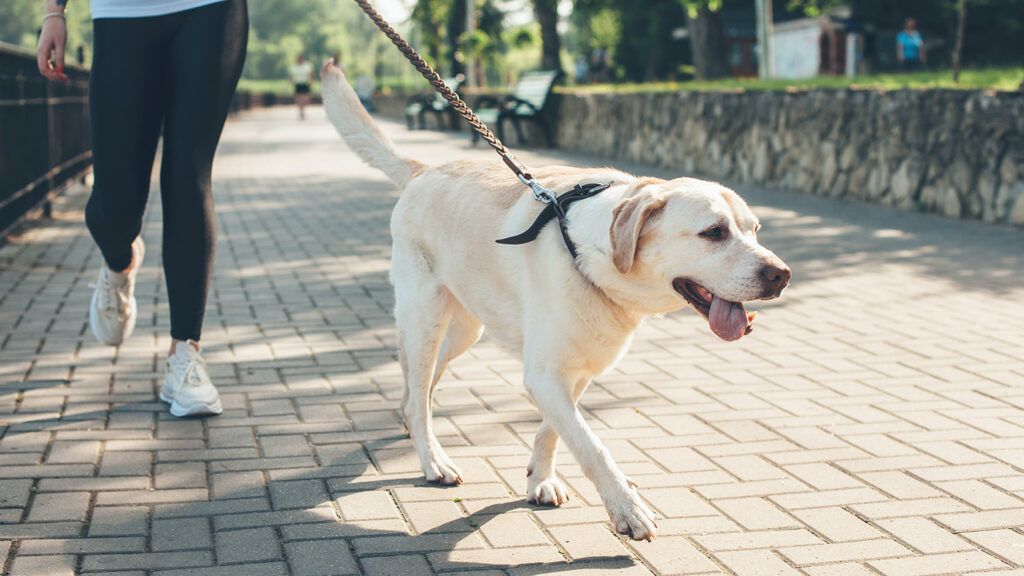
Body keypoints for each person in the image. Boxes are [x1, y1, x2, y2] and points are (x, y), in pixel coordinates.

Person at [36, 0, 248, 417]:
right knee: (115, 206)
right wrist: (53, 12)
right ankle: (120, 260)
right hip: (122, 15)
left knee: (188, 174)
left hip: (211, 10)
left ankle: (185, 353)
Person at [289, 54, 313, 120]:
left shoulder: (307, 66)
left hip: (305, 84)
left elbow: (309, 75)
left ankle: (302, 109)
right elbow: (291, 76)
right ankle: (301, 111)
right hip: (298, 84)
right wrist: (289, 83)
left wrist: (311, 82)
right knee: (298, 99)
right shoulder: (294, 67)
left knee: (306, 99)